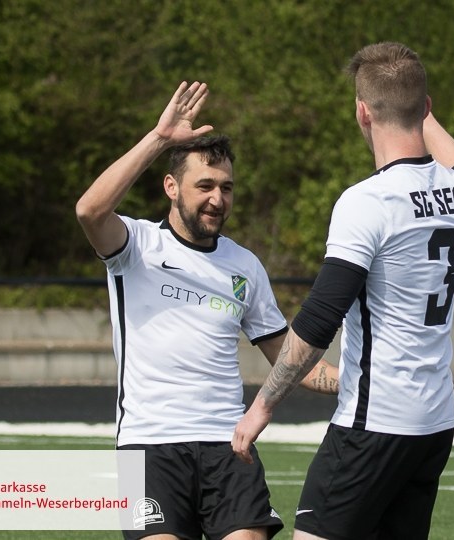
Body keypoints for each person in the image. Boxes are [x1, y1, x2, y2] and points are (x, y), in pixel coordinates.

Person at [232, 42, 454, 540]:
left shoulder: (366, 202)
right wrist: (419, 111)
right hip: (435, 422)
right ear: (427, 107)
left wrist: (261, 407)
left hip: (376, 421)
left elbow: (320, 317)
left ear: (362, 112)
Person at [75, 81, 338, 540]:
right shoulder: (136, 245)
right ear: (171, 186)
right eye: (205, 186)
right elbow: (90, 211)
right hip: (147, 446)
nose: (218, 199)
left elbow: (287, 357)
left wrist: (357, 380)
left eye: (227, 187)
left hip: (227, 443)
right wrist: (159, 138)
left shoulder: (244, 265)